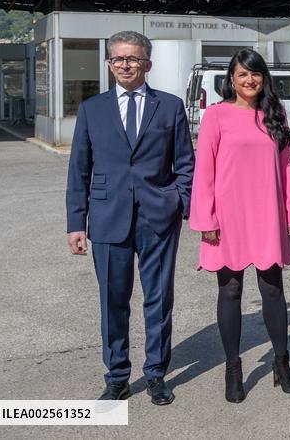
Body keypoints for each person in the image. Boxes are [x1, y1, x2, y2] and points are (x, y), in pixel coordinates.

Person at [66, 31, 194, 404]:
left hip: (159, 218)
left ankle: (156, 374)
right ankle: (117, 376)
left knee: (159, 299)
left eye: (133, 58)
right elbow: (79, 170)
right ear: (109, 64)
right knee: (113, 301)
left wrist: (181, 204)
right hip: (107, 218)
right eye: (118, 59)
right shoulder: (92, 109)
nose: (125, 65)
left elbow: (185, 163)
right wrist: (76, 223)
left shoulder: (169, 106)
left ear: (147, 64)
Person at [189, 49, 290, 403]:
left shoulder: (275, 113)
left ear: (263, 77)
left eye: (255, 73)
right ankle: (233, 368)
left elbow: (286, 166)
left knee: (272, 289)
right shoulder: (216, 115)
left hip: (267, 213)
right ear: (232, 79)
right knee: (231, 291)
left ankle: (281, 363)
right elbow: (204, 170)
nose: (249, 80)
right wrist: (206, 218)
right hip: (227, 217)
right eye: (242, 74)